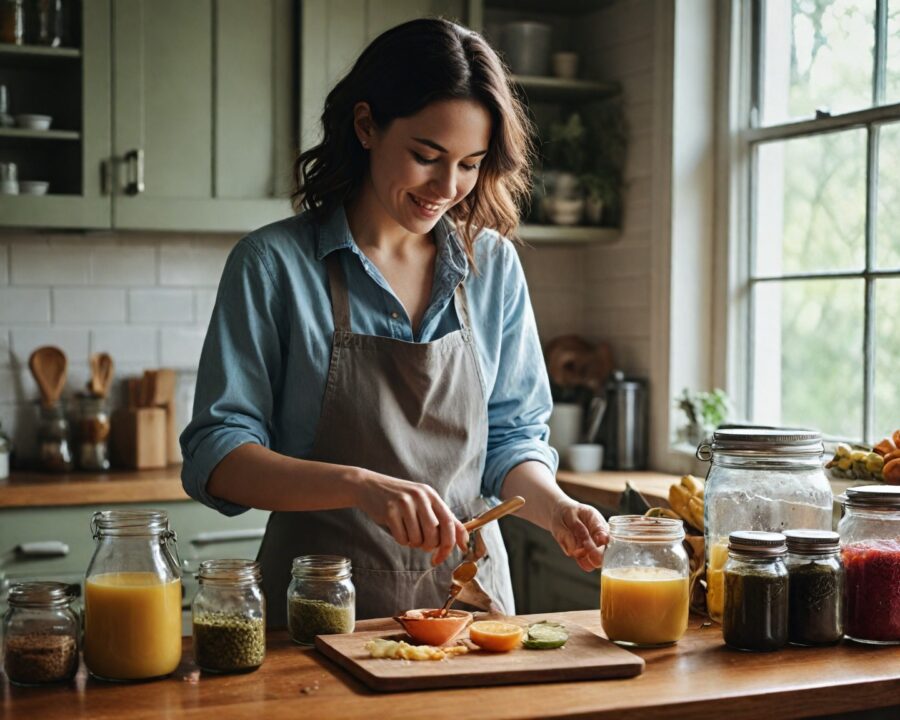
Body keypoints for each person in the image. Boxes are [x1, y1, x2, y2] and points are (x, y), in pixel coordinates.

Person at [180, 17, 608, 625]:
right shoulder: (272, 264)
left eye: (470, 164)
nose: (448, 187)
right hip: (316, 614)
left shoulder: (494, 265)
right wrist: (361, 485)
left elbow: (511, 440)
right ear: (365, 126)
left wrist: (558, 508)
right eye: (426, 156)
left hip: (470, 612)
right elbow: (217, 455)